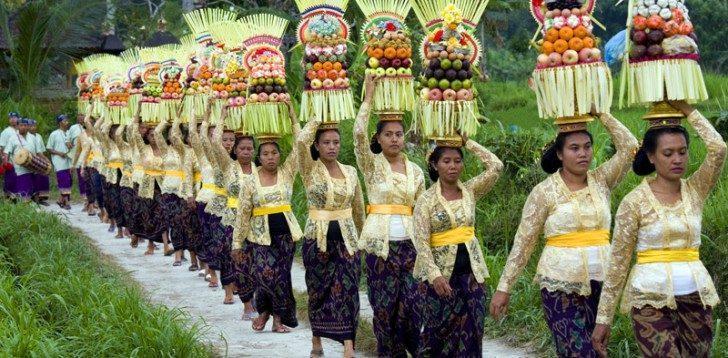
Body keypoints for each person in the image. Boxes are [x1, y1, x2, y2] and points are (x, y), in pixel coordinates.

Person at [490, 109, 639, 357]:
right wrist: (504, 287)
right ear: (559, 154)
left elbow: (630, 146)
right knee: (578, 352)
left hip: (601, 282)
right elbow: (524, 242)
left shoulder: (602, 180)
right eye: (574, 148)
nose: (583, 153)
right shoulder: (544, 192)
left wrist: (601, 114)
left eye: (587, 146)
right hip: (559, 286)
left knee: (596, 349)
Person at [592, 102, 726, 358]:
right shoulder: (634, 202)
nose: (677, 159)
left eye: (682, 152)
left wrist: (687, 110)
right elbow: (618, 263)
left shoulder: (695, 190)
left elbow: (718, 149)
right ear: (652, 156)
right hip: (649, 300)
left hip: (695, 297)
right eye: (668, 153)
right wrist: (604, 319)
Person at [353, 76, 426, 357]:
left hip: (411, 247)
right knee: (383, 309)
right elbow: (358, 134)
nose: (395, 138)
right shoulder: (371, 167)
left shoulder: (417, 172)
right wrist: (368, 98)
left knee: (412, 306)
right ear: (379, 138)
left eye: (399, 134)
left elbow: (421, 212)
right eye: (388, 134)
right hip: (380, 247)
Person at [413, 135, 503, 357]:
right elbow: (421, 241)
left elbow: (496, 167)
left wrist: (467, 142)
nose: (453, 166)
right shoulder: (426, 200)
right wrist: (434, 275)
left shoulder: (470, 191)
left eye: (457, 160)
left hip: (472, 275)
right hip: (440, 279)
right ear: (435, 164)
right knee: (439, 335)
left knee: (473, 331)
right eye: (446, 161)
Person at [297, 117, 366, 358]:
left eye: (336, 142)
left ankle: (349, 344)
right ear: (316, 145)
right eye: (325, 142)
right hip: (317, 238)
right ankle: (316, 338)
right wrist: (319, 114)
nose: (331, 147)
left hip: (347, 240)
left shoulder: (351, 172)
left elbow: (358, 208)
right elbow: (300, 141)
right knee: (318, 289)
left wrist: (364, 238)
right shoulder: (309, 169)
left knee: (348, 290)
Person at [233, 101, 301, 333]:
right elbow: (243, 212)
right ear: (258, 157)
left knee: (282, 278)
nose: (270, 157)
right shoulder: (251, 180)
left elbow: (301, 144)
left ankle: (278, 320)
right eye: (265, 154)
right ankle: (263, 312)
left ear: (280, 155)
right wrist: (237, 242)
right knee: (264, 276)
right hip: (259, 236)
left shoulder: (288, 172)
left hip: (285, 236)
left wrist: (293, 117)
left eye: (274, 153)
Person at [3, 118, 38, 202]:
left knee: (30, 188)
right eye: (21, 125)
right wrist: (5, 162)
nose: (23, 127)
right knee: (23, 188)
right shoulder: (13, 138)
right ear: (18, 126)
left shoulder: (32, 137)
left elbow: (36, 153)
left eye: (25, 125)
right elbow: (6, 152)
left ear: (28, 126)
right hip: (19, 168)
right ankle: (24, 205)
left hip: (32, 167)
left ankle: (27, 203)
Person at [46, 114, 73, 209]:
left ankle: (59, 200)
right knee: (63, 180)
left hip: (69, 161)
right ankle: (65, 202)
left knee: (69, 181)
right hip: (59, 161)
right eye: (64, 121)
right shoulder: (54, 134)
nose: (66, 122)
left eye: (67, 120)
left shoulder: (70, 133)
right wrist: (59, 153)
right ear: (59, 123)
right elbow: (49, 148)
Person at [28, 119, 50, 205]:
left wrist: (45, 160)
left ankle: (41, 199)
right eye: (31, 126)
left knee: (42, 179)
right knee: (33, 180)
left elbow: (42, 150)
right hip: (31, 162)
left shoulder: (39, 136)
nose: (33, 127)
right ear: (28, 127)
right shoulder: (27, 136)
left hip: (40, 161)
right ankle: (33, 198)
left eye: (34, 126)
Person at [1, 112, 21, 198]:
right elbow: (1, 147)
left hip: (20, 158)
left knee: (19, 178)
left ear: (18, 119)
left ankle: (17, 197)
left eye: (14, 117)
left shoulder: (20, 130)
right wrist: (3, 160)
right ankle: (7, 197)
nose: (13, 119)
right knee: (9, 178)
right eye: (11, 118)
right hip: (9, 158)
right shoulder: (6, 132)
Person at [68, 114, 87, 207]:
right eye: (79, 116)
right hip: (78, 156)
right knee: (81, 178)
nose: (81, 117)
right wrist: (69, 144)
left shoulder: (89, 127)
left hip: (90, 157)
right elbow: (68, 140)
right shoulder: (73, 127)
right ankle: (85, 199)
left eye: (83, 116)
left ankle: (91, 200)